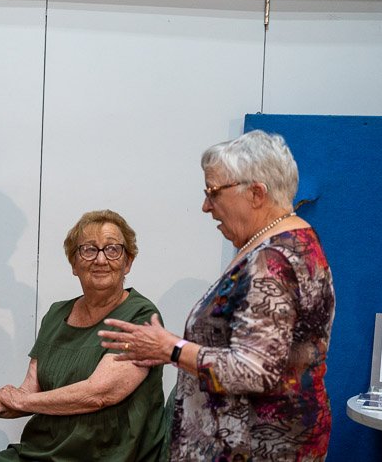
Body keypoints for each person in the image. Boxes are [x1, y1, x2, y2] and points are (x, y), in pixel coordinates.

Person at [99, 130, 335, 461]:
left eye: (213, 192)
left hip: (255, 447)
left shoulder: (274, 259)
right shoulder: (282, 244)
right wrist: (169, 350)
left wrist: (172, 348)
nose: (205, 206)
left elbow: (254, 370)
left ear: (256, 193)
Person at [0, 210, 166, 462]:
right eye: (89, 250)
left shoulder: (141, 315)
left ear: (128, 262)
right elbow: (27, 391)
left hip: (107, 455)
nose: (100, 259)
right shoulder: (56, 314)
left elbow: (99, 394)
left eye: (112, 249)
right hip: (44, 451)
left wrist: (20, 401)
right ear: (74, 264)